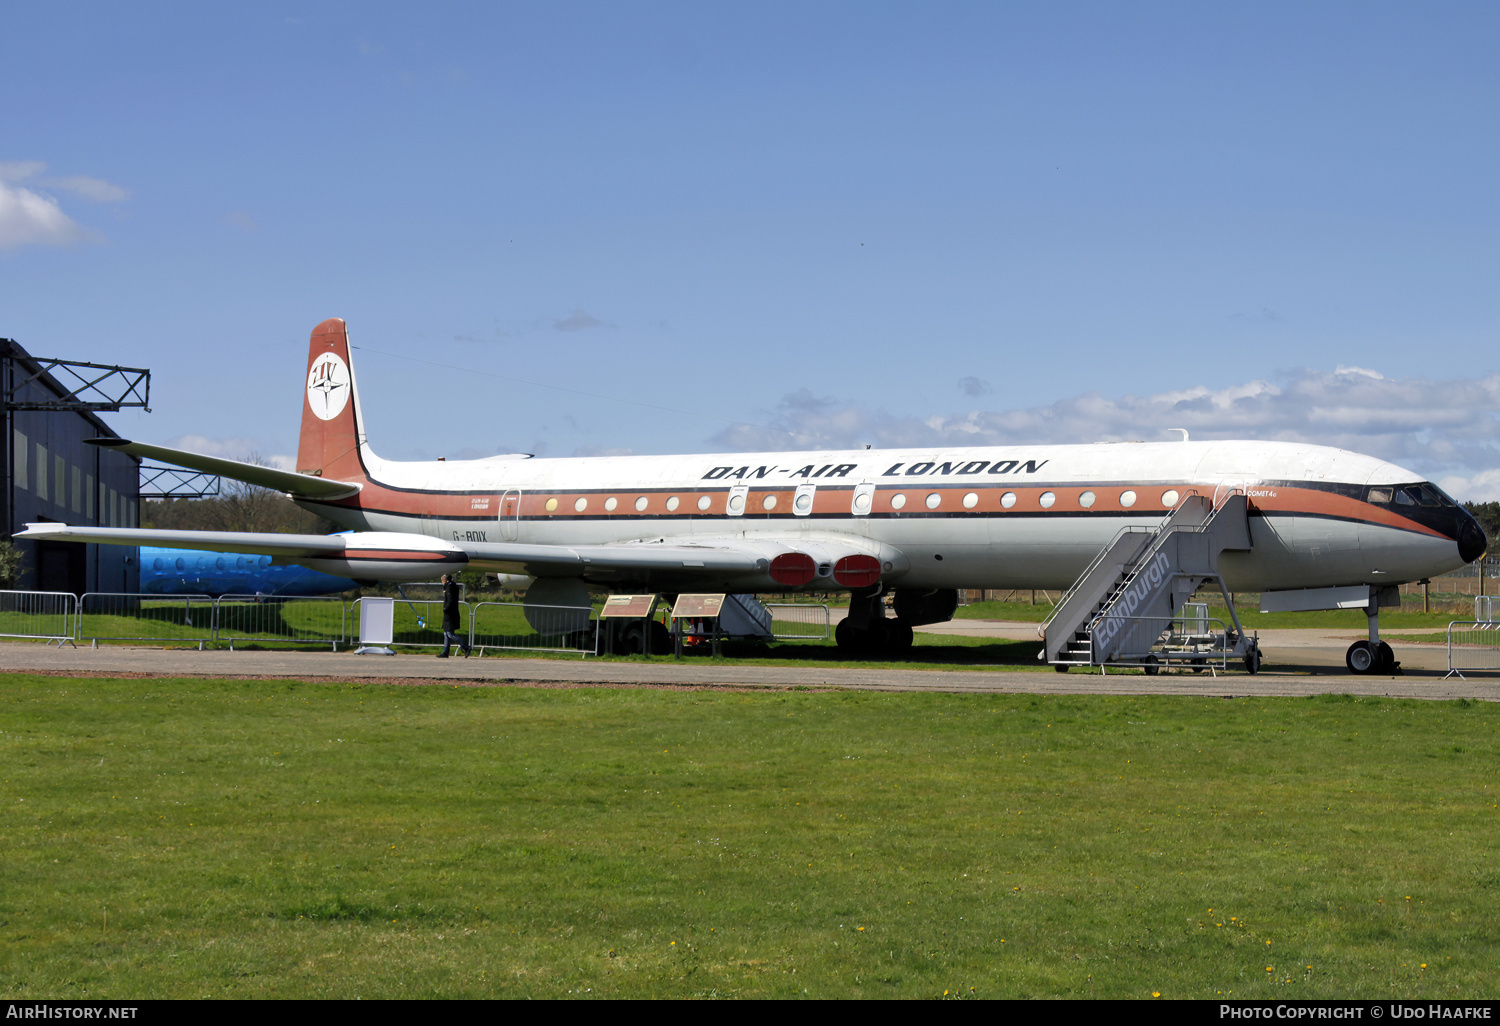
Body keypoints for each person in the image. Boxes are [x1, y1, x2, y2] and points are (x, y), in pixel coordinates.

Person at [437, 573, 470, 657]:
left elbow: (450, 599)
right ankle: (445, 651)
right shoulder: (452, 586)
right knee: (446, 632)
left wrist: (446, 609)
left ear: (444, 580)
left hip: (450, 613)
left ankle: (465, 646)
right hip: (452, 612)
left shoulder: (449, 587)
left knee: (449, 633)